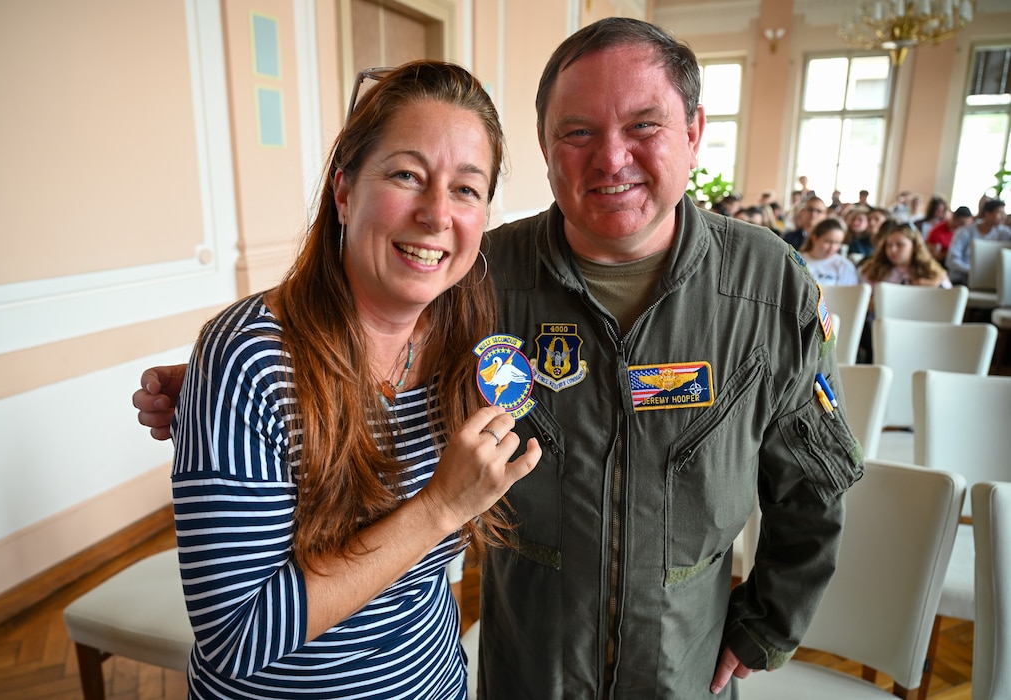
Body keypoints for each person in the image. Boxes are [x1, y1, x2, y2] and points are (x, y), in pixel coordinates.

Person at [136, 18, 862, 698]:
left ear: (694, 132)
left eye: (644, 125)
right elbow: (366, 291)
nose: (612, 157)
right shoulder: (488, 276)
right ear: (548, 152)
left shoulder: (767, 286)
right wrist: (228, 368)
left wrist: (769, 622)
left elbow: (813, 481)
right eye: (578, 132)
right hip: (527, 664)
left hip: (681, 661)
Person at [149, 61, 541, 699]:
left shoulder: (472, 341)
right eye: (407, 175)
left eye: (467, 189)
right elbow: (235, 638)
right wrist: (440, 507)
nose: (437, 213)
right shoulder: (247, 358)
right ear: (344, 192)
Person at [859, 222, 951, 289]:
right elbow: (862, 300)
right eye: (889, 245)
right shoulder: (873, 270)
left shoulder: (931, 271)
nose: (892, 250)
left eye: (900, 245)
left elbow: (949, 297)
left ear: (914, 246)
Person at [946, 198, 1011, 285]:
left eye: (1004, 213)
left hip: (992, 279)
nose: (1003, 217)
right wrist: (973, 271)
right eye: (999, 213)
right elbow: (951, 260)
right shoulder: (964, 232)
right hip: (963, 277)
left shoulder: (1005, 234)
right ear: (987, 213)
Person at [800, 217, 859, 285]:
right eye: (828, 242)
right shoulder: (798, 259)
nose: (832, 247)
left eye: (837, 243)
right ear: (814, 238)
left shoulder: (845, 266)